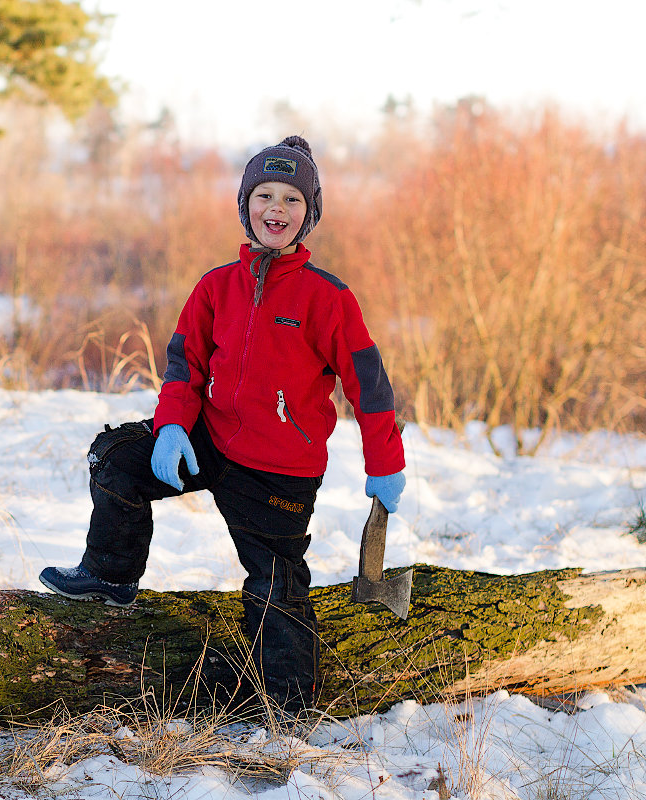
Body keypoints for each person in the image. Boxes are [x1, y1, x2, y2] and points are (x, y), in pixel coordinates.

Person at [39, 135, 406, 714]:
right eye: (265, 195)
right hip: (210, 440)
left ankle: (289, 705)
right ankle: (111, 574)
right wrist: (171, 427)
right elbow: (185, 366)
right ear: (245, 205)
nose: (276, 209)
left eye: (291, 199)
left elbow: (370, 386)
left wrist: (386, 463)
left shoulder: (327, 298)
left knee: (275, 586)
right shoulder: (217, 286)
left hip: (278, 467)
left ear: (308, 214)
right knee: (114, 458)